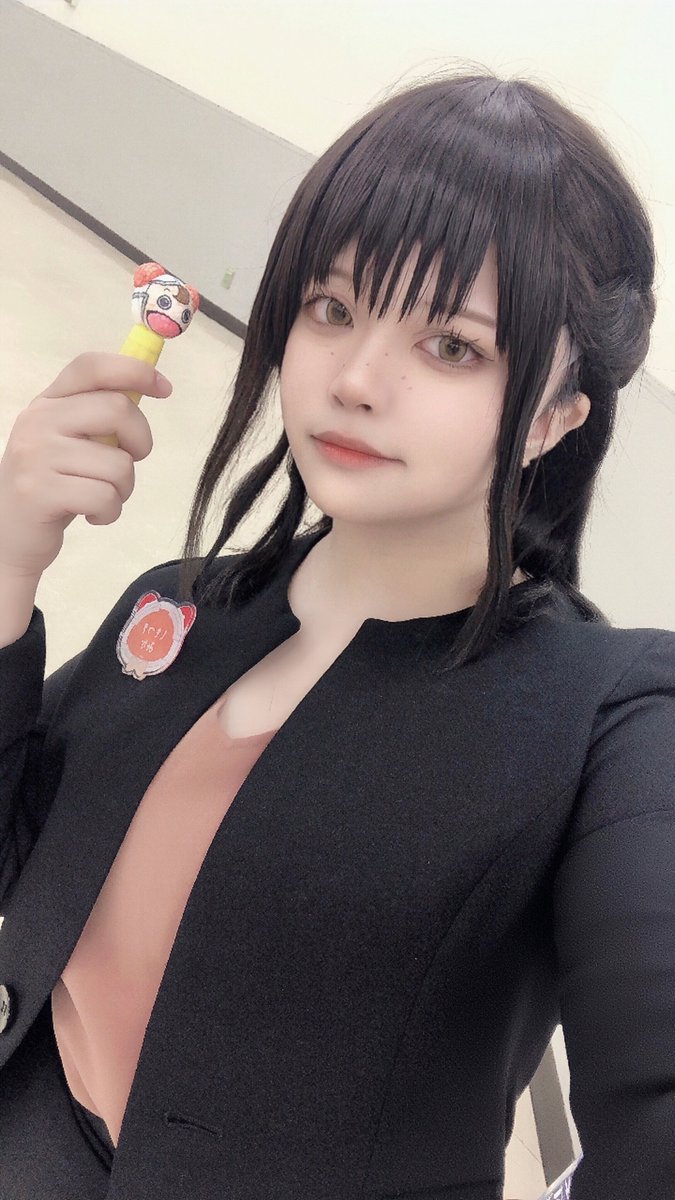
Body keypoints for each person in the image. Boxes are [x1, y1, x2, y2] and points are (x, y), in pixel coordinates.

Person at [0, 70, 673, 1200]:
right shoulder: (182, 607)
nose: (355, 380)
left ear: (556, 416)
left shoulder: (607, 717)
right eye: (332, 307)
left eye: (451, 345)